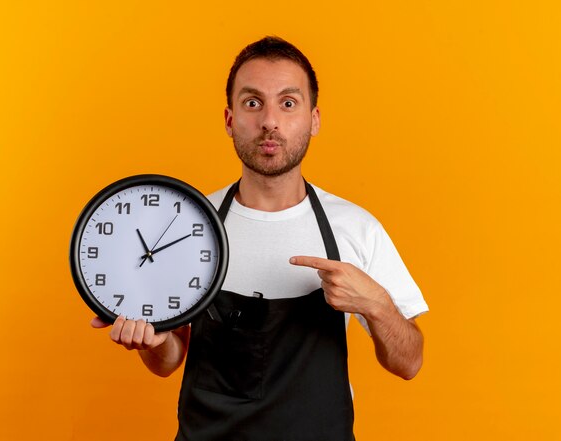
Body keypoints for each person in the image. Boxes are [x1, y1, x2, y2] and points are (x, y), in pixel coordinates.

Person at [91, 36, 429, 441]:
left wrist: (377, 305)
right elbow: (168, 361)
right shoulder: (186, 226)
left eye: (288, 103)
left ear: (314, 119)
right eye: (253, 103)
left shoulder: (355, 228)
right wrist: (149, 340)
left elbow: (409, 363)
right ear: (230, 119)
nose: (270, 120)